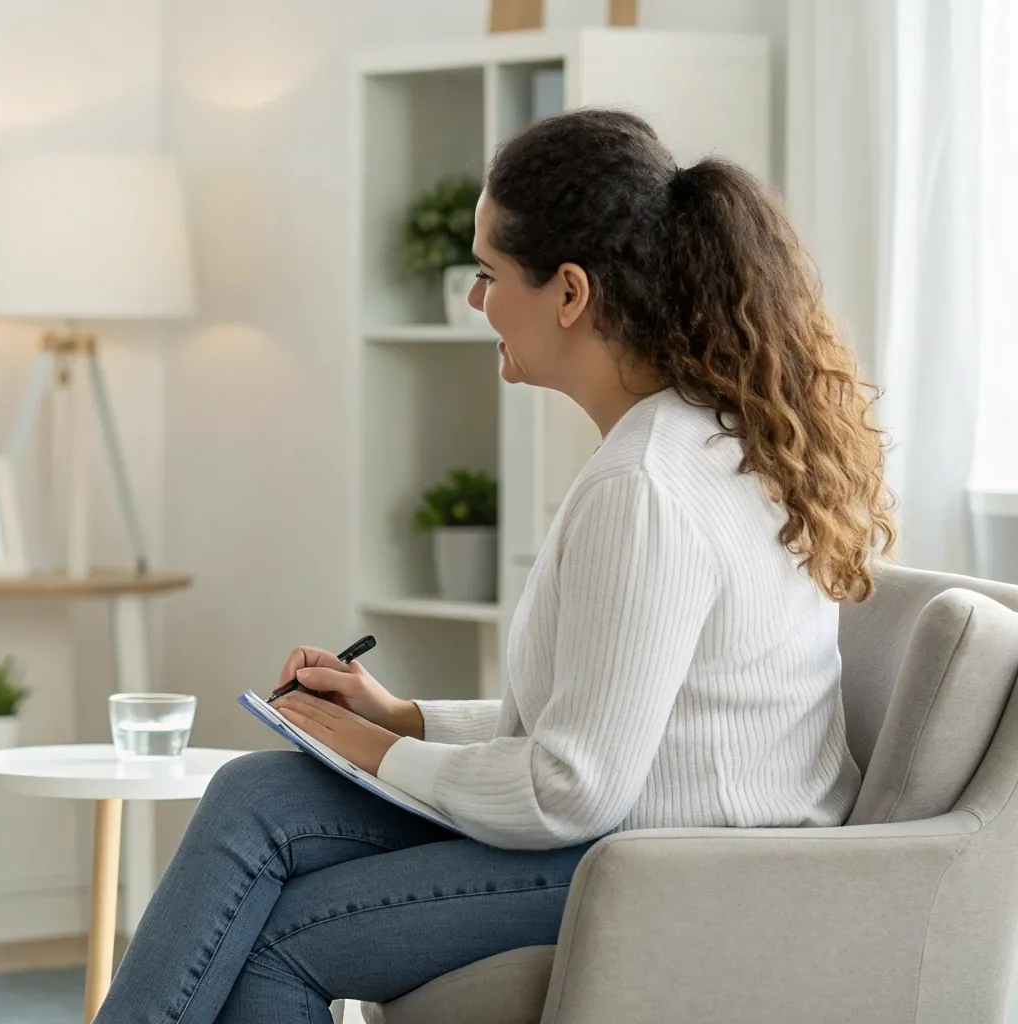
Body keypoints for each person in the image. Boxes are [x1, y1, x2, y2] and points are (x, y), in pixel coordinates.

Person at [95, 108, 894, 1023]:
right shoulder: (693, 443)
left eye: (488, 273)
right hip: (650, 828)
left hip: (675, 865)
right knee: (256, 792)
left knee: (279, 939)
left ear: (570, 293)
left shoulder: (645, 486)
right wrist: (406, 720)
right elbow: (616, 716)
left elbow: (572, 786)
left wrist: (384, 752)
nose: (475, 302)